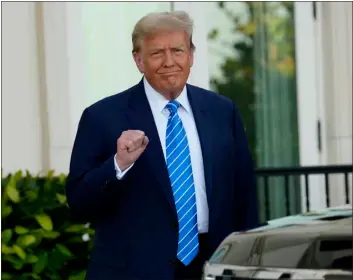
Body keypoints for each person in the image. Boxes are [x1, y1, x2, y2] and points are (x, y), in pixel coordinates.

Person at [66, 10, 259, 280]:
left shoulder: (222, 111)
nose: (169, 62)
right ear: (138, 60)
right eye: (157, 53)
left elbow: (244, 193)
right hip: (134, 271)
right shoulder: (102, 117)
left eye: (177, 50)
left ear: (191, 55)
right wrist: (118, 165)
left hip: (213, 265)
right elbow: (78, 203)